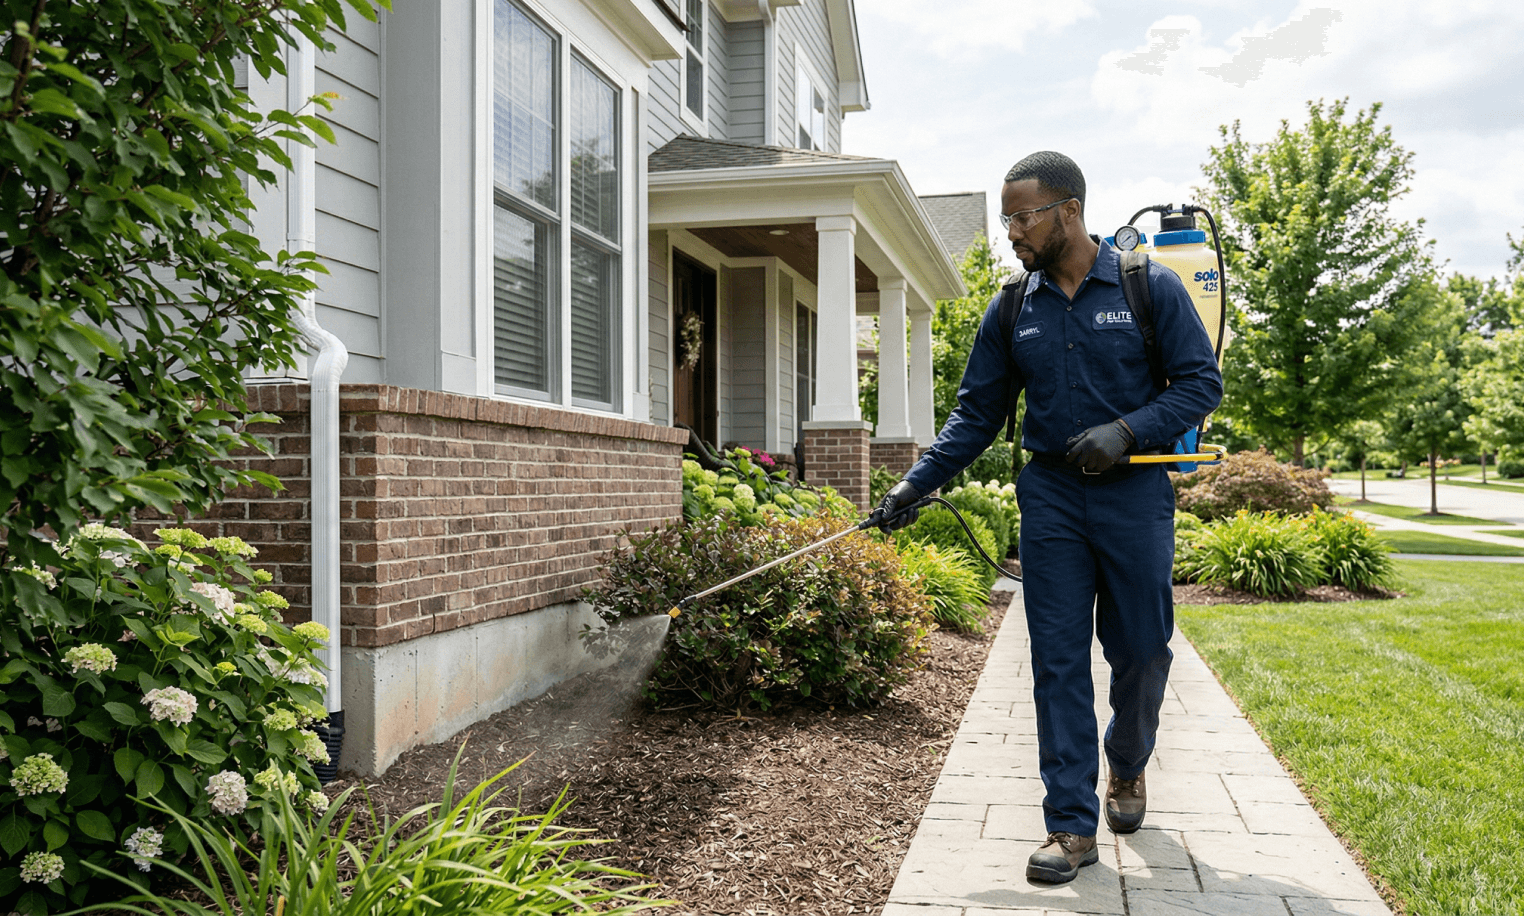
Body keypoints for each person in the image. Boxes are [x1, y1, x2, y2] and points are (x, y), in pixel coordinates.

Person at [871, 151, 1222, 884]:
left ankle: (1126, 764)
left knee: (1144, 651)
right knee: (1057, 663)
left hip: (1134, 494)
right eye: (1005, 220)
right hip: (1053, 500)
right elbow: (975, 416)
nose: (1011, 233)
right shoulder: (1012, 308)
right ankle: (1069, 826)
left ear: (1068, 210)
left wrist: (1127, 430)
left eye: (1022, 217)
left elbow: (1199, 384)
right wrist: (913, 485)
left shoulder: (1147, 287)